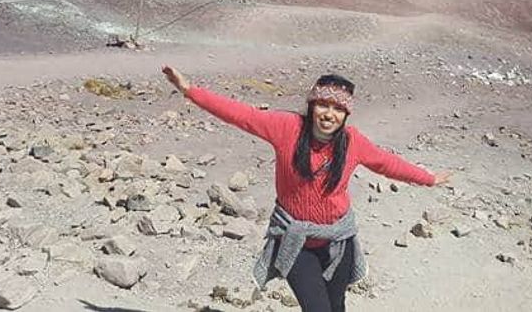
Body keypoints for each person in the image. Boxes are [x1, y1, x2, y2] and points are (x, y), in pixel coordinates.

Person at [161, 66, 450, 312]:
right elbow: (242, 115)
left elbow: (386, 163)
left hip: (339, 239)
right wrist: (190, 90)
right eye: (324, 104)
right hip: (296, 240)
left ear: (346, 114)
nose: (329, 114)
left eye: (338, 108)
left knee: (337, 305)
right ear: (312, 105)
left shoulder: (352, 142)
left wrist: (427, 178)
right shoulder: (287, 128)